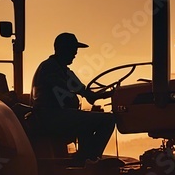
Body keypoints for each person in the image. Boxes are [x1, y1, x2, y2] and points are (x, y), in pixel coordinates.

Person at [31, 32, 115, 164]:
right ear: (62, 49)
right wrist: (80, 98)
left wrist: (110, 93)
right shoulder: (49, 67)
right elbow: (64, 93)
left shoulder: (64, 71)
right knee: (108, 120)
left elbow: (88, 95)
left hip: (60, 115)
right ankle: (90, 159)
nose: (75, 54)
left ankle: (84, 157)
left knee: (87, 119)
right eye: (73, 50)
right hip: (51, 116)